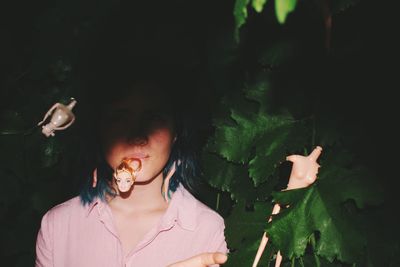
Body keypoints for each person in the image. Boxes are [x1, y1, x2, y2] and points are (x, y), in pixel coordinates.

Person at [34, 69, 229, 266]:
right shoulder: (57, 226)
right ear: (99, 130)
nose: (138, 136)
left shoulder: (210, 232)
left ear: (176, 132)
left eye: (154, 118)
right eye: (119, 117)